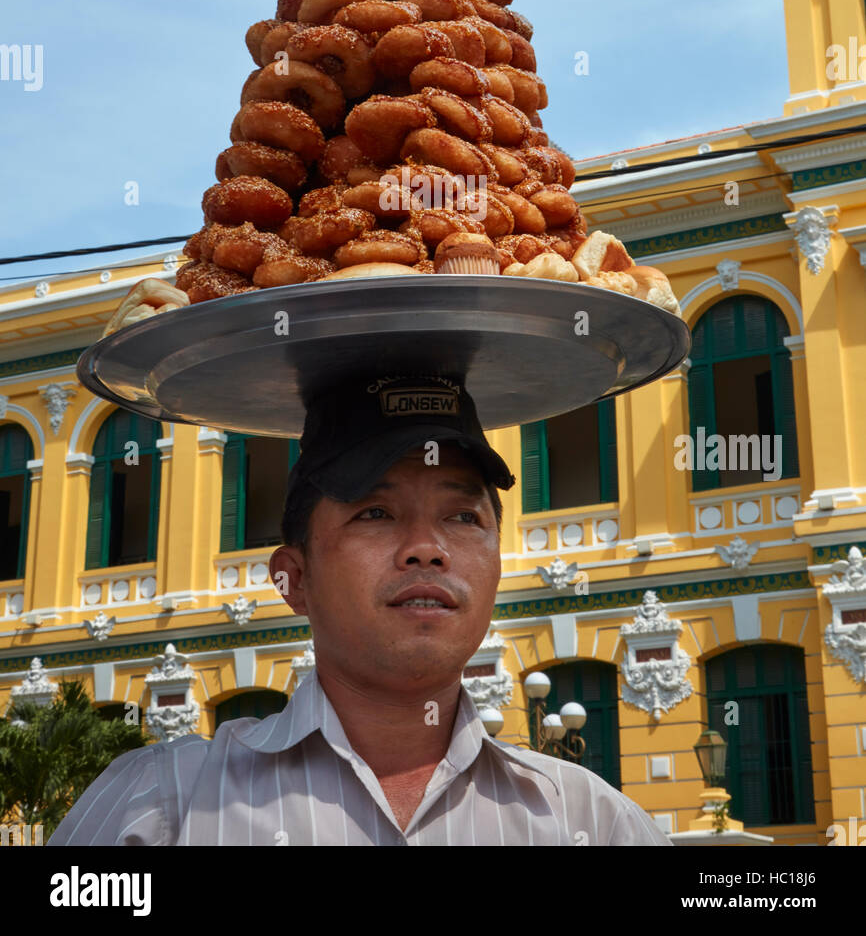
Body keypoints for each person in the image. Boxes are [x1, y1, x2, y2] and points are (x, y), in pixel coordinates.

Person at [48, 283, 672, 847]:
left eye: (463, 518)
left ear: (498, 566)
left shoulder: (592, 822)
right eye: (374, 514)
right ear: (293, 577)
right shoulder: (164, 810)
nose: (426, 547)